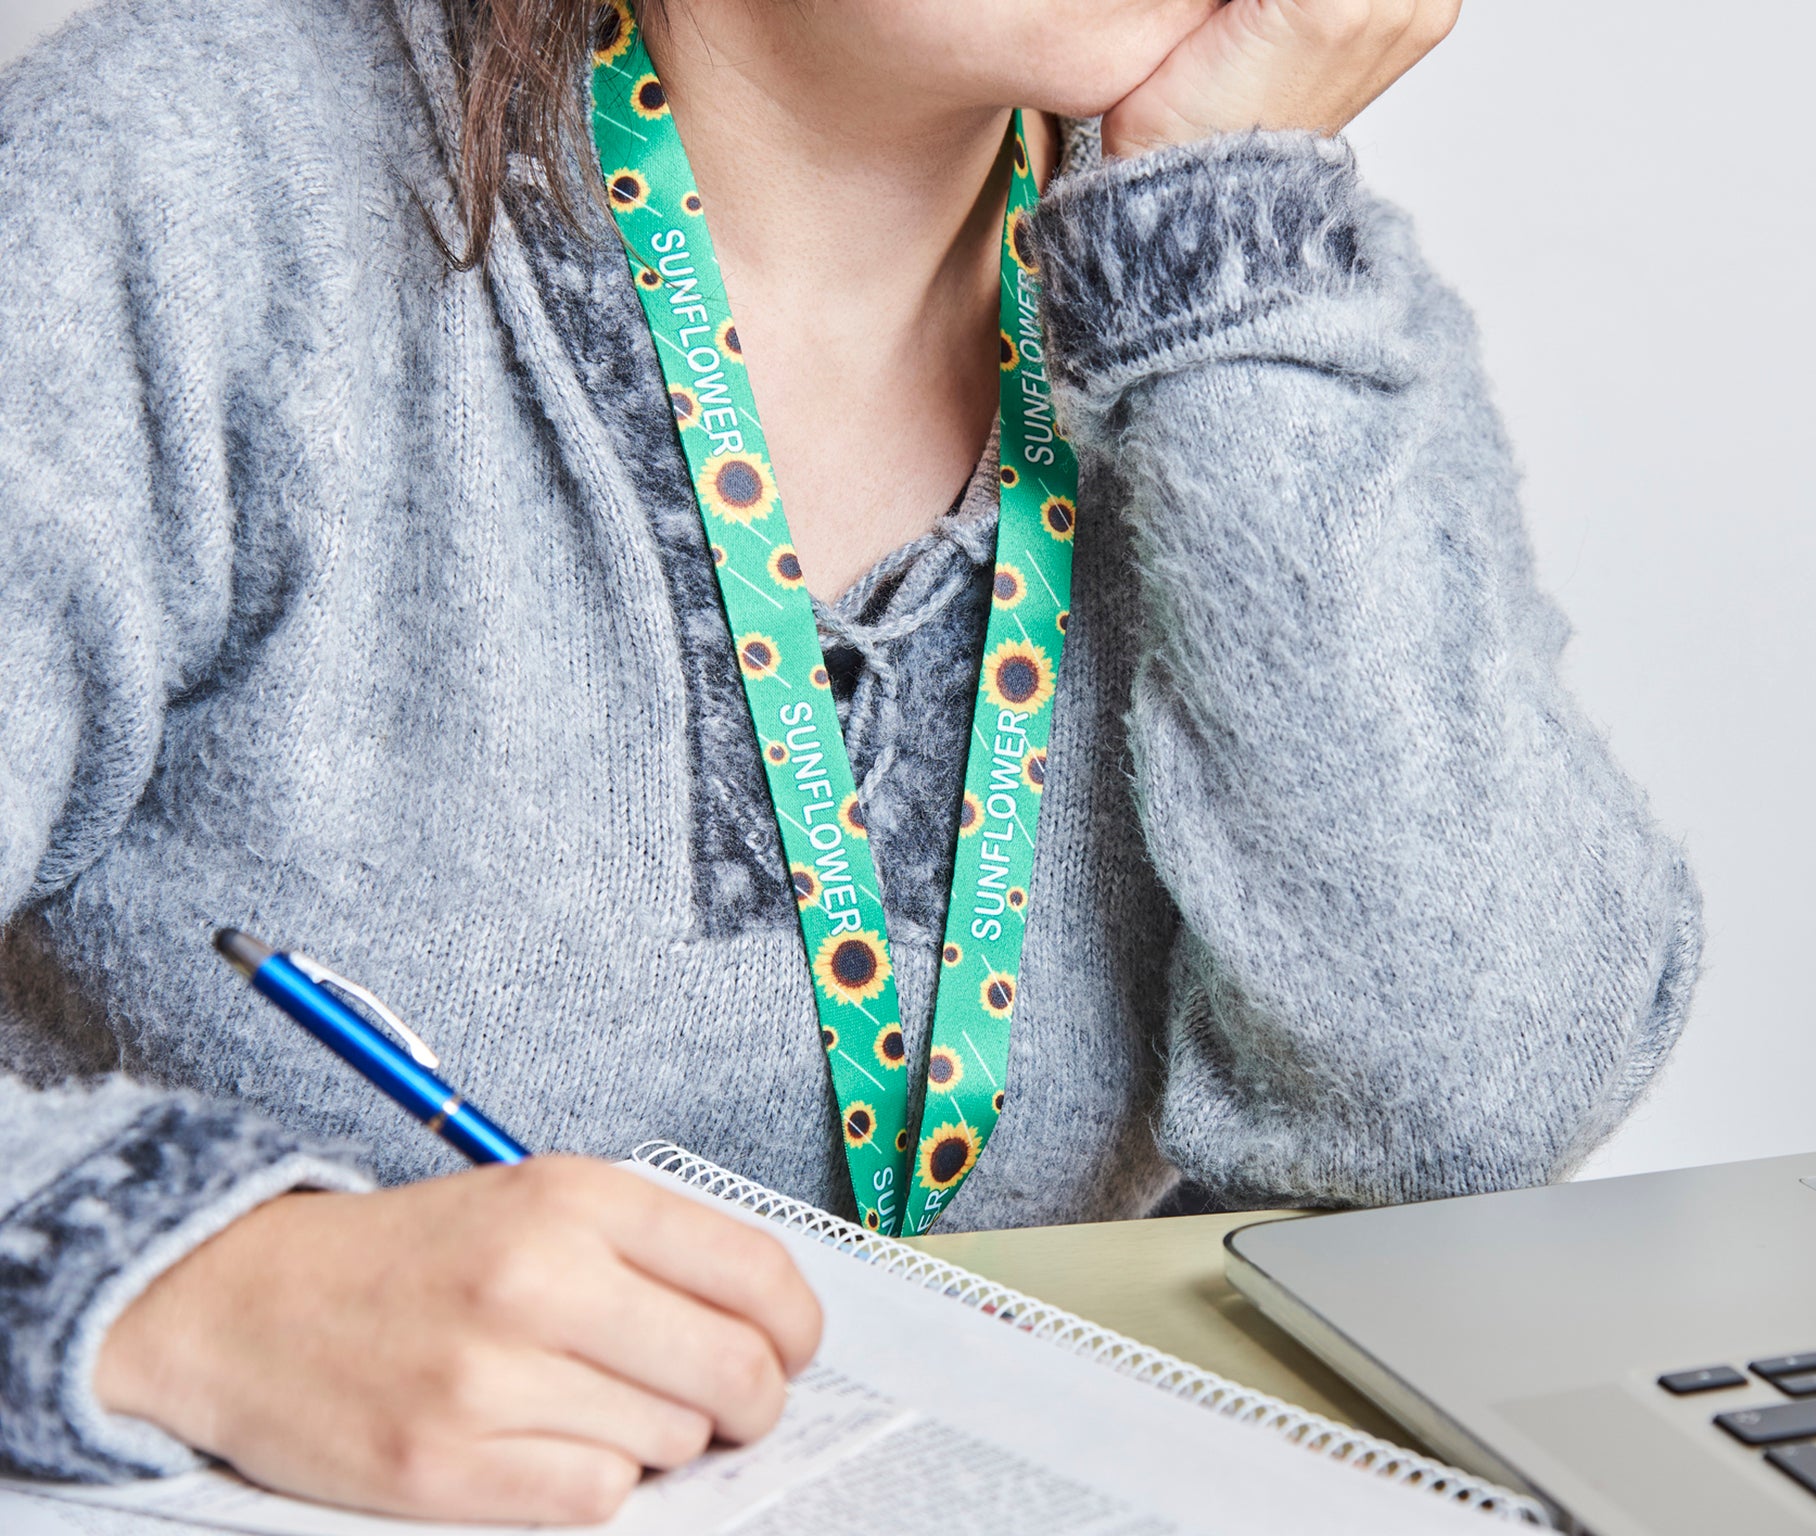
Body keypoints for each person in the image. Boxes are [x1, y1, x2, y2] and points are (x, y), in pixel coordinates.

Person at [0, 0, 1701, 1522]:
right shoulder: (176, 180)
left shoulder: (1245, 284)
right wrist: (190, 1295)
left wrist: (1219, 250)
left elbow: (1465, 1104)